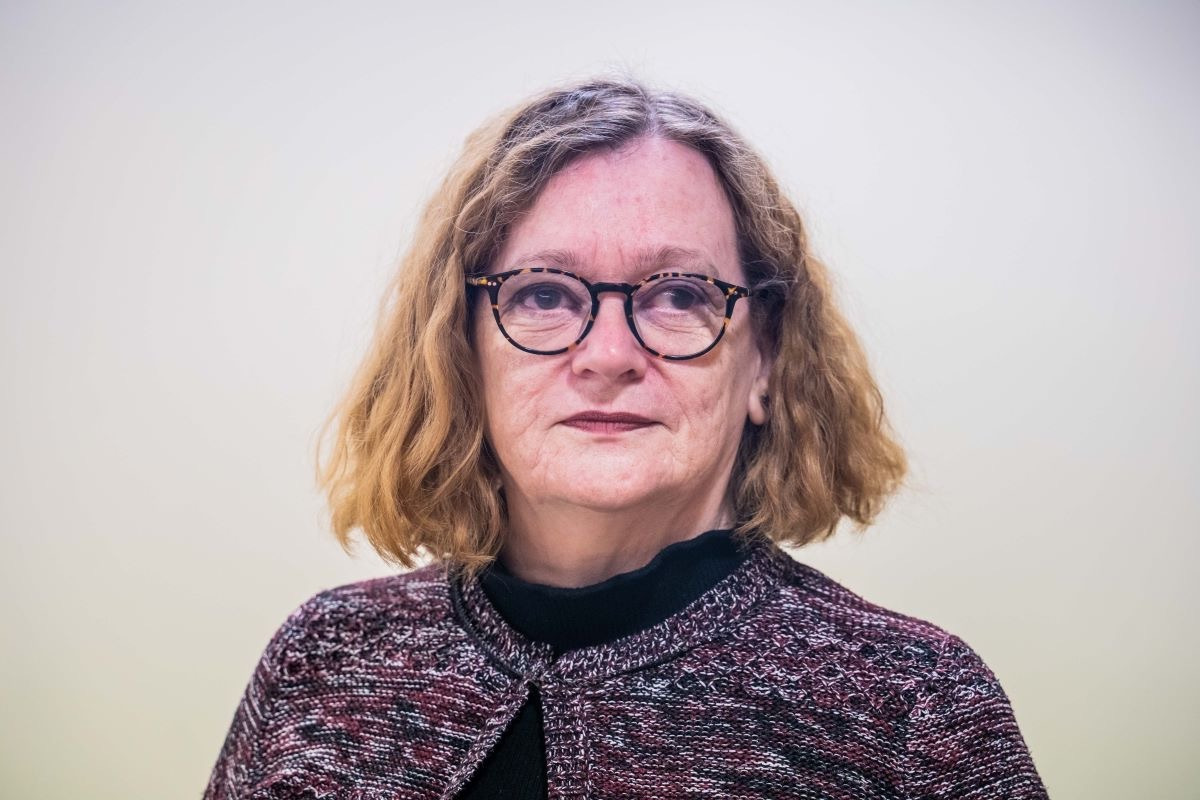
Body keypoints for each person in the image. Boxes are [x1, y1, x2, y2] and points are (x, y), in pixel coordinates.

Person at [203, 77, 1049, 799]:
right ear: (460, 351)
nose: (609, 356)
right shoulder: (323, 659)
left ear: (765, 360)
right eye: (543, 294)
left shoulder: (913, 709)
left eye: (679, 295)